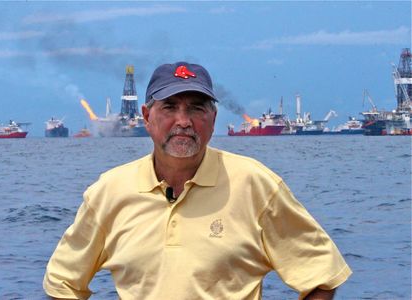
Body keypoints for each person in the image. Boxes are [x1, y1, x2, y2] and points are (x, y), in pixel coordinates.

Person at [43, 62, 352, 299]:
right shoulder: (109, 191)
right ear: (147, 117)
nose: (183, 121)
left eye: (196, 108)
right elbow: (63, 281)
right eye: (170, 107)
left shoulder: (254, 184)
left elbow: (321, 274)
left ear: (213, 119)